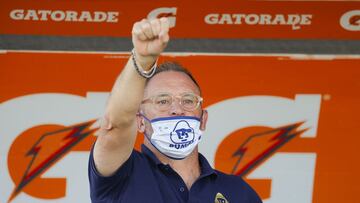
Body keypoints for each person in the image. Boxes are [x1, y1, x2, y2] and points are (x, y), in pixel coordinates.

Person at [88, 17, 262, 203]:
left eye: (188, 100)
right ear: (139, 120)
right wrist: (142, 60)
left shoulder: (238, 192)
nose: (177, 109)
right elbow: (116, 126)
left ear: (203, 120)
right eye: (162, 101)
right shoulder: (121, 175)